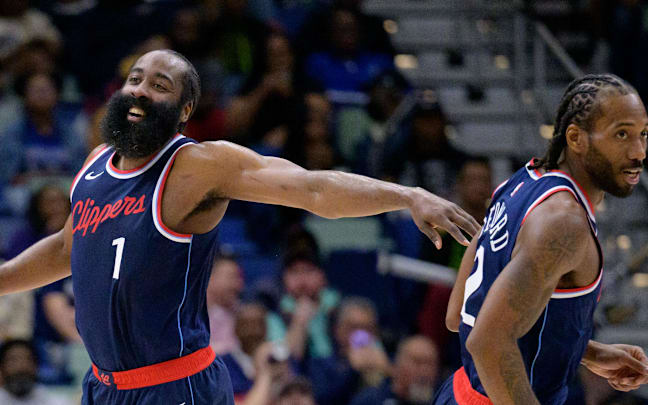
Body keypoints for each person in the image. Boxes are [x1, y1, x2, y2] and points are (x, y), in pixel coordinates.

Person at [0, 49, 480, 405]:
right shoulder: (95, 165)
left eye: (160, 85)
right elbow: (68, 247)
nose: (141, 91)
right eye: (135, 79)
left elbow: (312, 189)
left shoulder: (199, 167)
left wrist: (406, 195)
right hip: (102, 387)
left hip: (174, 386)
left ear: (184, 111)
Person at [433, 74, 648, 405]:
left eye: (643, 135)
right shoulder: (564, 223)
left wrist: (585, 350)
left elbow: (461, 314)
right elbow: (488, 342)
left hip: (460, 392)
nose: (639, 152)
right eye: (621, 134)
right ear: (576, 138)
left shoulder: (522, 181)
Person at [349, 334, 440, 405]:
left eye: (430, 364)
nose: (425, 371)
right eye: (418, 362)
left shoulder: (444, 399)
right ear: (398, 364)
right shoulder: (372, 399)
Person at [0, 339, 73, 405]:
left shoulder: (57, 402)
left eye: (27, 360)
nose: (21, 367)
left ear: (36, 366)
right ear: (2, 367)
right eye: (13, 361)